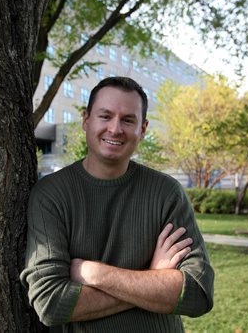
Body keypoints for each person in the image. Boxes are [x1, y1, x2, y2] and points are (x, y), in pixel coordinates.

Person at [20, 76, 214, 332]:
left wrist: (94, 274)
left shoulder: (167, 193)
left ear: (142, 129)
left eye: (128, 120)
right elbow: (50, 302)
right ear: (86, 120)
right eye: (105, 116)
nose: (115, 129)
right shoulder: (51, 194)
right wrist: (153, 278)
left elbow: (198, 293)